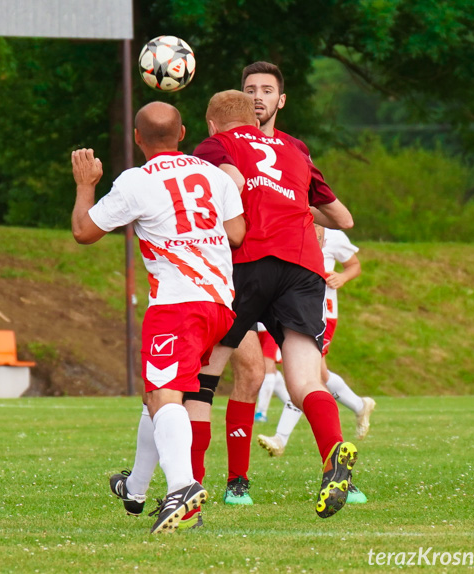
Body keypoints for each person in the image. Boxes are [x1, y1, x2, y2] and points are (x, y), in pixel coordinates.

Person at [184, 62, 355, 514]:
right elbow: (343, 219)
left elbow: (228, 184)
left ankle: (191, 488)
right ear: (244, 100)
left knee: (204, 376)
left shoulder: (218, 142)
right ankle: (333, 453)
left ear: (280, 100)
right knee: (303, 379)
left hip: (247, 263)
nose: (258, 96)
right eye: (250, 90)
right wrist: (294, 206)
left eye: (266, 90)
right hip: (302, 267)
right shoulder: (297, 151)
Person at [71, 102, 245, 533]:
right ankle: (136, 487)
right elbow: (238, 233)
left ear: (136, 138)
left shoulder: (136, 181)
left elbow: (84, 232)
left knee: (166, 396)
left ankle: (184, 487)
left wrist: (85, 185)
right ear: (183, 132)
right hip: (221, 305)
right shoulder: (214, 174)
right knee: (158, 396)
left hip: (177, 305)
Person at [258, 226, 376, 503]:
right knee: (316, 376)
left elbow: (354, 265)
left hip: (322, 314)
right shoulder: (285, 226)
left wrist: (342, 277)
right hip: (292, 313)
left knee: (308, 378)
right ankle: (360, 405)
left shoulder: (333, 234)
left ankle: (281, 438)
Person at [253, 324, 285, 423]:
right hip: (255, 327)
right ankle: (292, 403)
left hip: (271, 327)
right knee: (268, 368)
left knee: (267, 367)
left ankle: (261, 413)